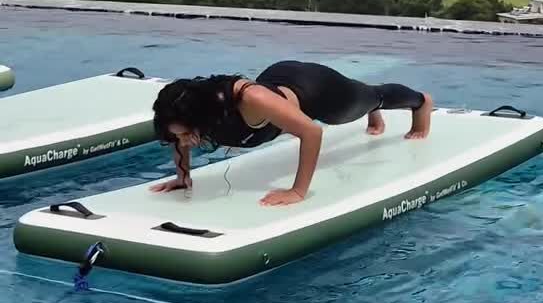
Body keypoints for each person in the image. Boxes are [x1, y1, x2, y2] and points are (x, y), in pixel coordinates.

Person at [150, 59, 433, 207]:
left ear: (199, 118)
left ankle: (421, 103)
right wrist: (183, 177)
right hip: (279, 81)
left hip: (316, 91)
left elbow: (311, 132)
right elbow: (178, 136)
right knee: (364, 97)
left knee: (373, 96)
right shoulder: (190, 113)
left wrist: (297, 191)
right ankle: (369, 105)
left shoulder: (251, 100)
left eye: (185, 134)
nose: (183, 141)